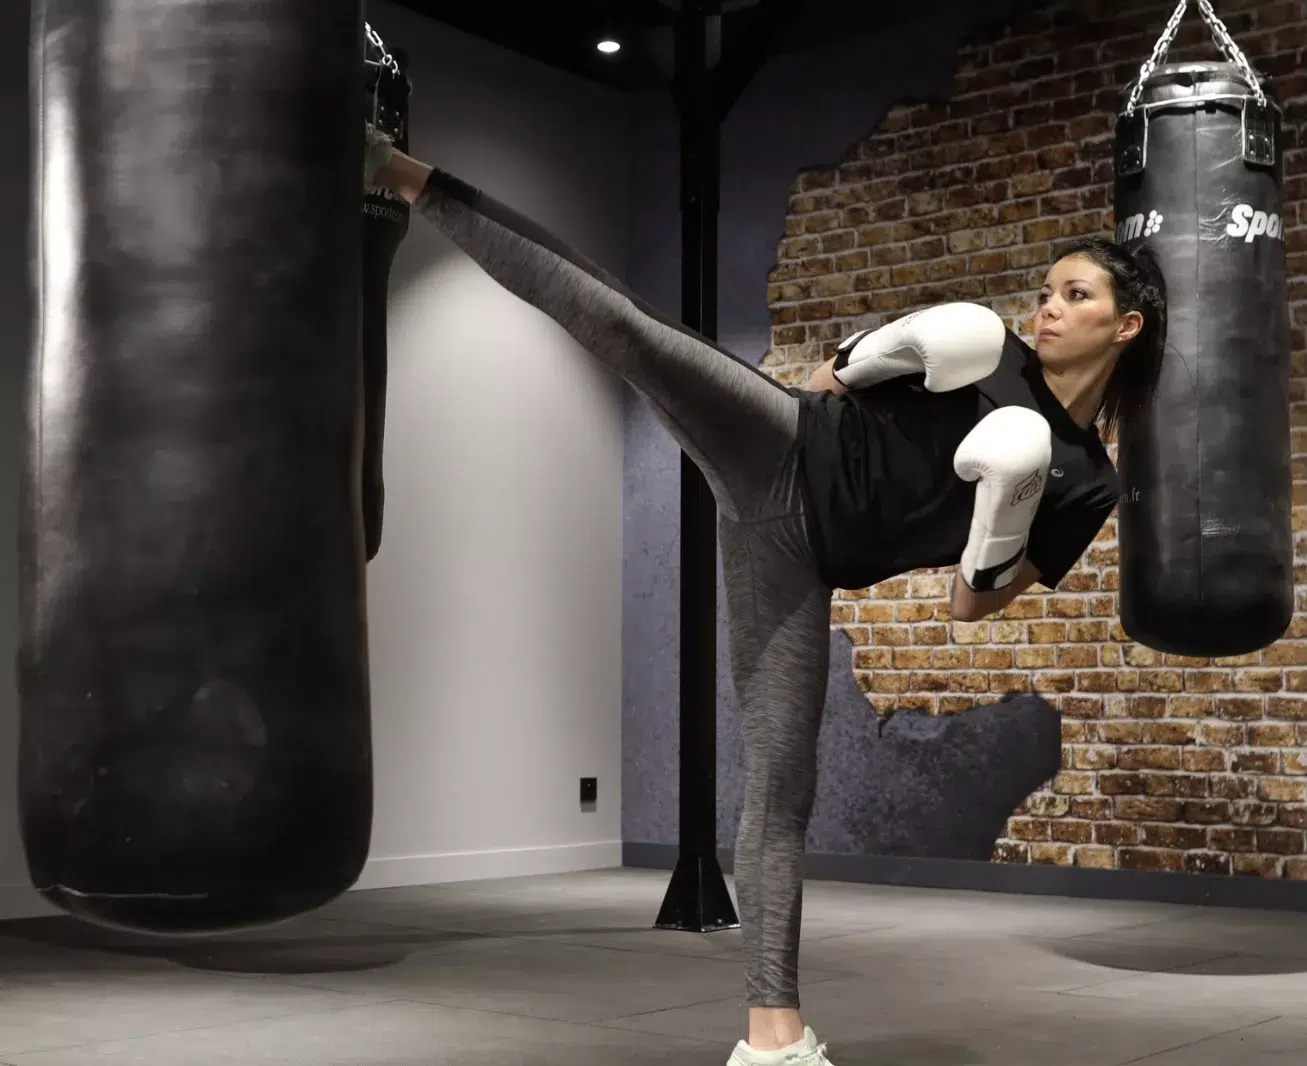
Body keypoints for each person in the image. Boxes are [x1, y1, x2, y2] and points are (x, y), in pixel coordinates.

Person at [363, 127, 1167, 1066]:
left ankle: (770, 1038)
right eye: (1047, 291)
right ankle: (399, 172)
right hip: (778, 442)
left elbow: (969, 606)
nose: (1048, 310)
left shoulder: (1085, 482)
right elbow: (827, 381)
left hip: (793, 562)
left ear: (1125, 325)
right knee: (625, 327)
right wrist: (873, 353)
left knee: (782, 781)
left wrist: (1003, 515)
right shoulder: (988, 354)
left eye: (1076, 296)